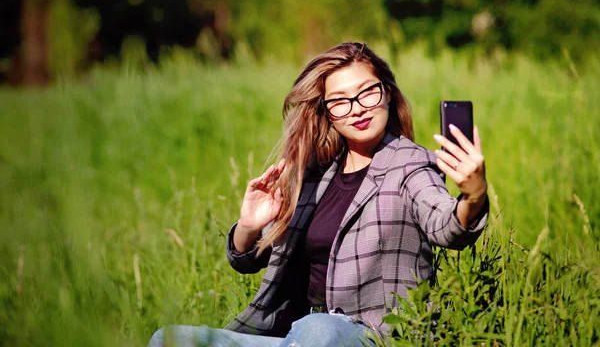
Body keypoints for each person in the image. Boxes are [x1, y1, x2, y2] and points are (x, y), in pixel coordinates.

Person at [148, 42, 488, 347]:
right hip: (296, 336)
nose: (356, 108)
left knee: (318, 329)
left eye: (367, 92)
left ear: (388, 93)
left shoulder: (410, 164)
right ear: (326, 113)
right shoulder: (316, 172)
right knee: (170, 339)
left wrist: (472, 197)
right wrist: (250, 226)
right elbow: (246, 260)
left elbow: (447, 226)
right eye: (339, 101)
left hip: (374, 334)